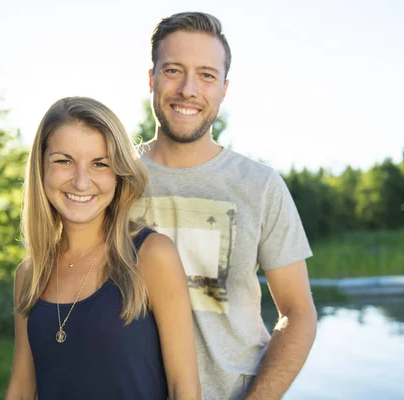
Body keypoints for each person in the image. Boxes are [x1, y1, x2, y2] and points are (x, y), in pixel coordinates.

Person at [132, 12, 317, 400]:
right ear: (151, 78)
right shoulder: (113, 178)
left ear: (224, 89)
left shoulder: (260, 185)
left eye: (206, 75)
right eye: (173, 70)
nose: (188, 89)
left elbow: (298, 314)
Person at [5, 96, 201, 399]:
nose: (81, 182)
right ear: (41, 167)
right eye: (63, 161)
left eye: (100, 164)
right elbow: (21, 388)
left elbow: (184, 388)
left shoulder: (152, 255)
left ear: (118, 173)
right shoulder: (29, 275)